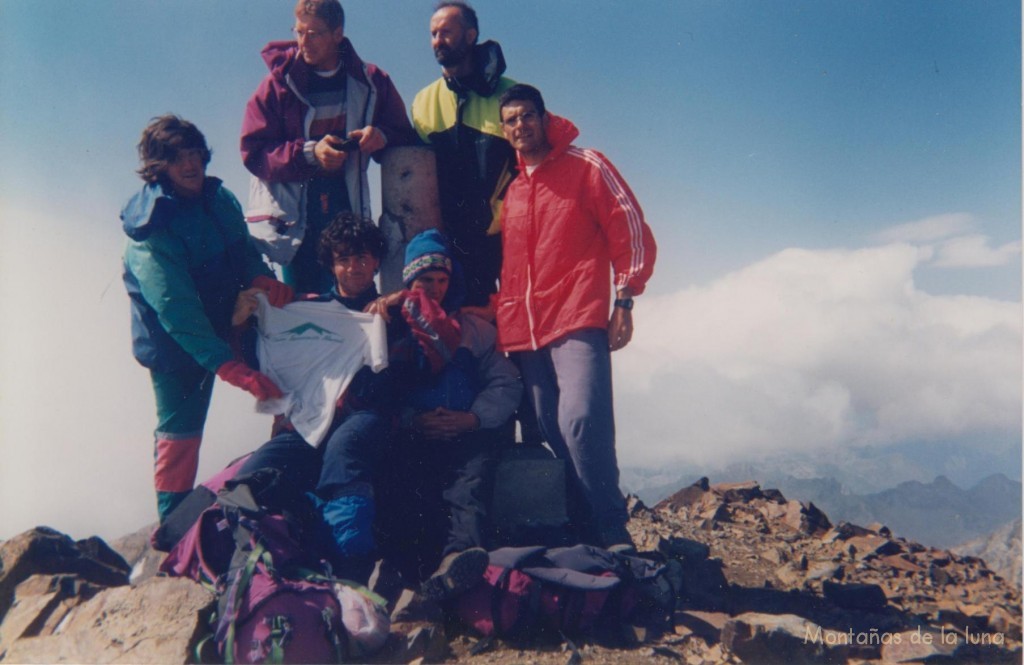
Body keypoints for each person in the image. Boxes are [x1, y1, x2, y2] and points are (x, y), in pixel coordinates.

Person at [494, 85, 657, 549]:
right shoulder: (515, 190)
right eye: (511, 120)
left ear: (545, 118)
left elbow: (629, 228)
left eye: (528, 115)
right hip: (524, 329)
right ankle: (588, 527)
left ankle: (611, 525)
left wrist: (624, 299)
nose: (520, 126)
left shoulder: (587, 165)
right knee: (550, 425)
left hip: (576, 314)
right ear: (504, 131)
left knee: (582, 419)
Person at [121, 115, 292, 522]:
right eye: (176, 157)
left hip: (229, 319)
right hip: (176, 347)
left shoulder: (219, 198)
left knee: (290, 381)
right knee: (181, 434)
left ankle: (288, 479)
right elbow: (177, 313)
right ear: (157, 166)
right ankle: (172, 527)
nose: (189, 164)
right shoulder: (152, 231)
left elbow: (242, 250)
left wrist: (261, 278)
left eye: (194, 153)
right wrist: (230, 367)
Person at [376, 229, 522, 600]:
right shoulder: (392, 330)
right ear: (410, 278)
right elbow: (383, 391)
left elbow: (505, 383)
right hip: (417, 433)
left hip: (468, 433)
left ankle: (458, 562)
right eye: (427, 280)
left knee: (467, 489)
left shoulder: (473, 329)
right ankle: (402, 574)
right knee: (406, 487)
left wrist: (472, 419)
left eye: (443, 280)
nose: (437, 288)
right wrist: (413, 420)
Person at [241, 0, 415, 294]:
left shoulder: (372, 81)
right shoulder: (276, 85)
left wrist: (380, 136)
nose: (303, 42)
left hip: (346, 205)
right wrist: (310, 154)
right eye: (298, 32)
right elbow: (253, 151)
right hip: (296, 218)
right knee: (303, 303)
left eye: (314, 34)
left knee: (352, 298)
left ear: (338, 33)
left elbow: (403, 135)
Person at [411, 1, 516, 307]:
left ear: (470, 36)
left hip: (506, 237)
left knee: (516, 331)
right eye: (433, 34)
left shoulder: (510, 95)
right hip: (450, 241)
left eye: (446, 32)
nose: (437, 41)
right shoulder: (422, 102)